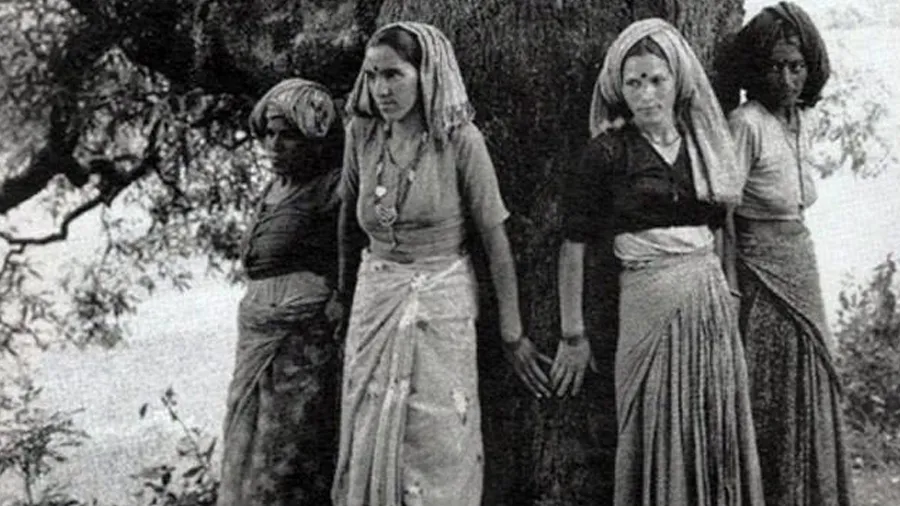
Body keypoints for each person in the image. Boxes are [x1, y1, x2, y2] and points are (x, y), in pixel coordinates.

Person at [330, 21, 549, 506]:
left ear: (425, 75)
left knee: (437, 438)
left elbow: (495, 238)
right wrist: (344, 295)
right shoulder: (363, 134)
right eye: (372, 76)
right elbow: (348, 220)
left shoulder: (459, 140)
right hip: (375, 300)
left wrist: (512, 332)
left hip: (441, 303)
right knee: (369, 430)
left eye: (394, 74)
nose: (381, 89)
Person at [558, 18, 765, 506]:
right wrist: (573, 335)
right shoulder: (608, 153)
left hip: (709, 305)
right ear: (619, 88)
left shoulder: (705, 147)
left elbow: (721, 229)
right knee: (651, 419)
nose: (646, 94)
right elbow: (573, 245)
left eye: (656, 79)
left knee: (711, 422)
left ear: (678, 81)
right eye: (633, 82)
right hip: (645, 303)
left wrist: (730, 293)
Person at [725, 3, 853, 504]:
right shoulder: (747, 123)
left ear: (810, 67)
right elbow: (723, 211)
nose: (786, 78)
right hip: (760, 271)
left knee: (814, 372)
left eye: (796, 66)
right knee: (772, 385)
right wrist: (731, 282)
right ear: (756, 68)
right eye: (775, 66)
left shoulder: (801, 120)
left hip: (801, 259)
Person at [217, 78, 344, 506]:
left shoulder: (332, 188)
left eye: (287, 135)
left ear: (314, 139)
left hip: (301, 345)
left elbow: (351, 253)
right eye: (269, 134)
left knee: (286, 457)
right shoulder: (273, 189)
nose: (274, 145)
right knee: (245, 450)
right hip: (259, 333)